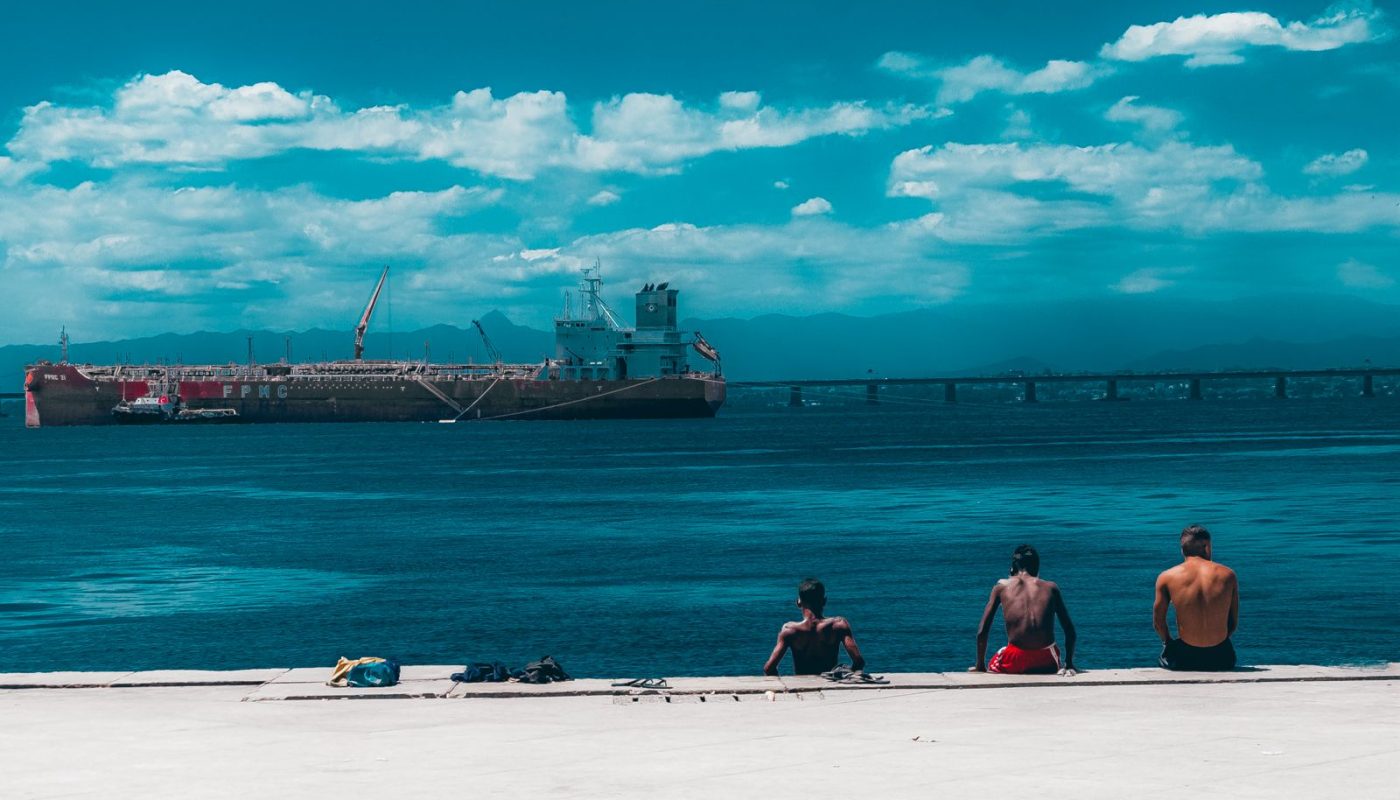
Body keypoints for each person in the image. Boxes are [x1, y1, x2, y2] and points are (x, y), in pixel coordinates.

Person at [971, 545, 1077, 675]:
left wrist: (980, 665)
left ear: (1014, 567)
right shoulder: (1051, 587)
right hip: (1047, 660)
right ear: (1036, 567)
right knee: (1053, 656)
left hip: (1015, 659)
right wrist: (1069, 663)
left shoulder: (1001, 588)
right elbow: (1069, 630)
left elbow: (982, 631)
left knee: (997, 659)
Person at [1154, 524, 1239, 671]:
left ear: (1183, 549)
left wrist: (1168, 642)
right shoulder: (1228, 575)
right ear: (1206, 546)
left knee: (1165, 657)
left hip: (1185, 659)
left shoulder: (1167, 577)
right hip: (1222, 658)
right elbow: (1233, 623)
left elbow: (1158, 623)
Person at [763, 578, 866, 676]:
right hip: (829, 683)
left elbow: (769, 668)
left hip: (801, 684)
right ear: (824, 601)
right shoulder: (838, 625)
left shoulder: (790, 630)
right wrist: (847, 675)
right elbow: (858, 661)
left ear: (798, 602)